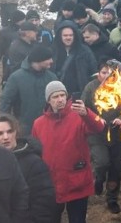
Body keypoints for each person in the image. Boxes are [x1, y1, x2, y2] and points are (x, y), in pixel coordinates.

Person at [32, 81, 105, 223]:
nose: (59, 99)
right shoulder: (38, 124)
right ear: (48, 100)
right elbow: (36, 151)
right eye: (55, 97)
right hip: (52, 183)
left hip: (77, 182)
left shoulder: (79, 116)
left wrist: (86, 113)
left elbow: (99, 127)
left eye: (62, 95)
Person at [0, 114, 58, 223]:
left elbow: (44, 203)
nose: (5, 137)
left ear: (16, 132)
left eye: (10, 131)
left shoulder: (34, 162)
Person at [82, 63, 121, 214]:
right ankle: (99, 179)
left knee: (116, 168)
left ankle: (112, 199)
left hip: (118, 134)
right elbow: (83, 109)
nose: (107, 76)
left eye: (110, 73)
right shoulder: (90, 87)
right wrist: (95, 119)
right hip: (97, 134)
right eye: (104, 73)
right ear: (98, 74)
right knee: (102, 163)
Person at [0, 44, 59, 133]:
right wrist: (6, 124)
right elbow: (5, 102)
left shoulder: (52, 77)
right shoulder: (16, 78)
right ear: (39, 59)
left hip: (49, 127)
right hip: (25, 128)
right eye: (48, 58)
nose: (51, 61)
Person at [53, 21, 97, 99]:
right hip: (58, 95)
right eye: (65, 35)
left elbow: (93, 72)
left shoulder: (85, 51)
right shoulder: (53, 51)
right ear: (60, 36)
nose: (68, 38)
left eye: (71, 35)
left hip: (79, 94)